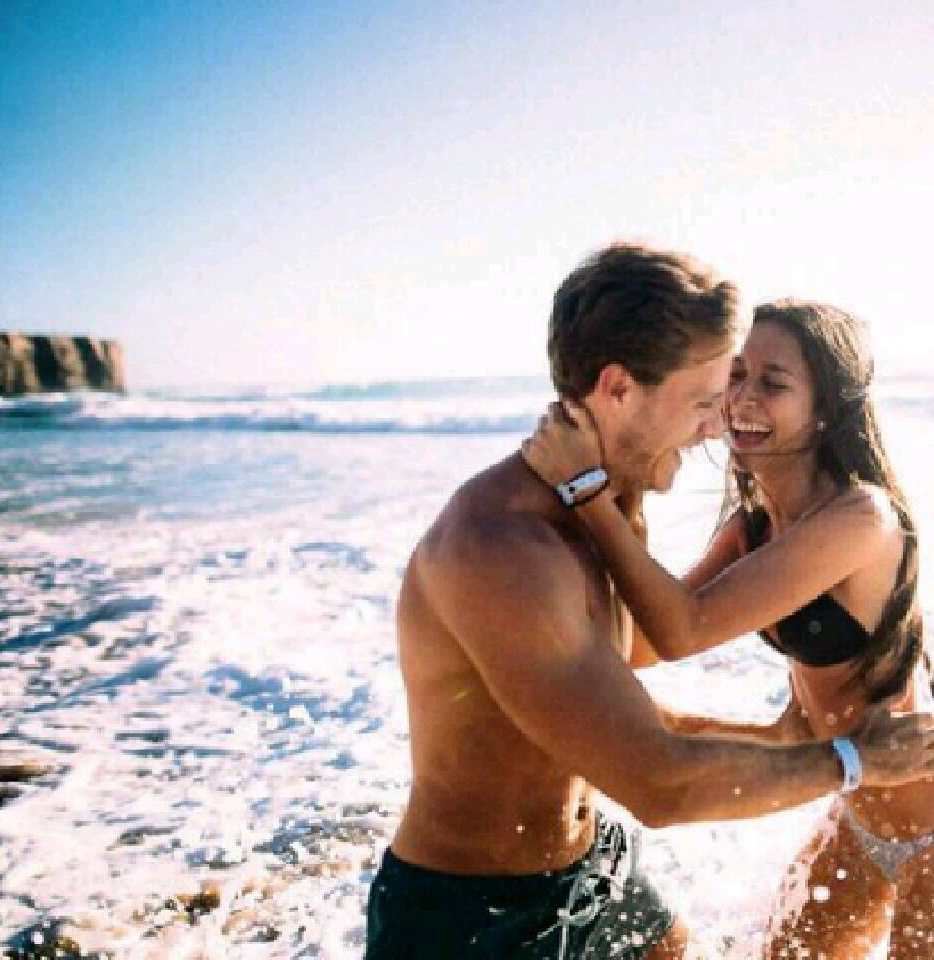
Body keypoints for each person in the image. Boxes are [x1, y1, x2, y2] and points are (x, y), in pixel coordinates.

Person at [364, 244, 934, 960]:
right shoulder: (502, 551)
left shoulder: (606, 512)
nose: (718, 423)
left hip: (597, 871)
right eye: (707, 398)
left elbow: (618, 682)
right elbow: (658, 779)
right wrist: (848, 759)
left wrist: (779, 740)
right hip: (475, 918)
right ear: (618, 389)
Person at [521, 298, 933, 958]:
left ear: (826, 407)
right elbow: (642, 644)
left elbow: (684, 630)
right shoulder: (755, 527)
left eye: (773, 383)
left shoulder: (861, 519)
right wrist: (625, 496)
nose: (743, 400)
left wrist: (590, 493)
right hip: (861, 818)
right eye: (735, 376)